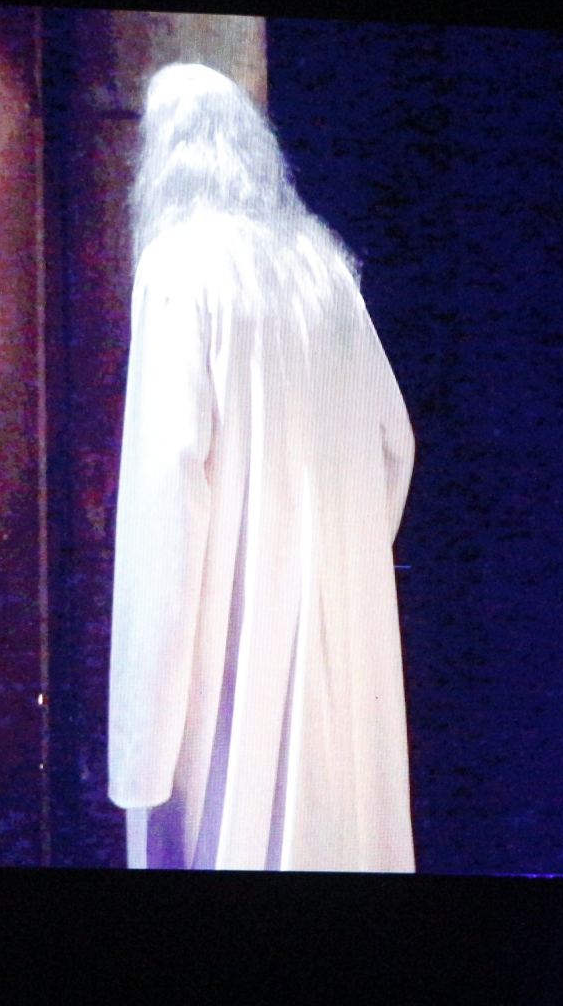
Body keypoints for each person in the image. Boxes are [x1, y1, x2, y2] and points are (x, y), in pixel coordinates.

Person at [107, 64, 417, 872]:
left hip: (229, 619)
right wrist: (340, 552)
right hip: (335, 616)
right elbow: (395, 442)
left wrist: (142, 739)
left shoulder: (176, 267)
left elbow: (166, 482)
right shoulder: (325, 272)